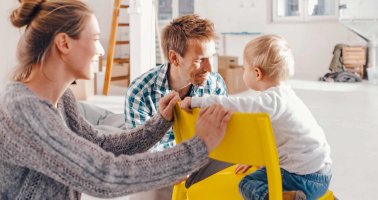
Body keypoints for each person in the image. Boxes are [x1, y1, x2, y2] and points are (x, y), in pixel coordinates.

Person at [0, 1, 232, 199]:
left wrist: (160, 122)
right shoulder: (24, 110)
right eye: (96, 39)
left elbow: (101, 145)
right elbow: (104, 174)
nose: (101, 51)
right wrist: (198, 146)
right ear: (64, 43)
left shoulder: (62, 100)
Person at [181, 35, 332, 200]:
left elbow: (237, 105)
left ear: (257, 73)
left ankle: (284, 198)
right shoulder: (285, 97)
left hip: (304, 179)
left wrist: (199, 101)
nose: (244, 72)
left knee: (248, 184)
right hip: (319, 173)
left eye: (245, 68)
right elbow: (282, 141)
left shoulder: (271, 101)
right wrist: (256, 158)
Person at [125, 14, 231, 189]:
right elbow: (142, 156)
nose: (210, 68)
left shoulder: (215, 83)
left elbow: (225, 137)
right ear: (174, 58)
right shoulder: (139, 92)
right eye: (200, 60)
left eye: (211, 57)